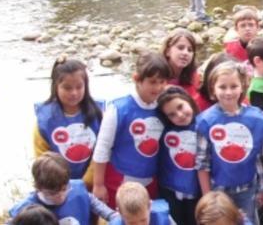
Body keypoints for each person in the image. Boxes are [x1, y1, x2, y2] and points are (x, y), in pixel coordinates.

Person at [93, 53, 172, 208]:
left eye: (162, 82)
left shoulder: (163, 107)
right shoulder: (118, 109)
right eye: (152, 82)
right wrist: (98, 184)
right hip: (119, 180)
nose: (158, 87)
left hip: (150, 180)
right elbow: (102, 147)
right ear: (137, 79)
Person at [196, 62, 263, 225]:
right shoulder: (206, 121)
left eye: (233, 86)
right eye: (222, 87)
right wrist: (208, 196)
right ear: (213, 89)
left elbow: (258, 157)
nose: (228, 92)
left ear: (242, 87)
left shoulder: (256, 118)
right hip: (219, 191)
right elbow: (202, 163)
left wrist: (261, 188)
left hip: (248, 188)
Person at [34, 58, 103, 186]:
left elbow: (103, 150)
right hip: (56, 185)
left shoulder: (99, 113)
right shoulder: (45, 119)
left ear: (86, 86)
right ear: (56, 87)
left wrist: (84, 183)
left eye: (79, 87)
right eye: (67, 88)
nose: (74, 93)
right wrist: (59, 185)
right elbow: (42, 157)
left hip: (92, 183)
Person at [9, 152, 118, 224]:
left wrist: (115, 217)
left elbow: (102, 209)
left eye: (64, 189)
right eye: (52, 194)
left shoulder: (77, 189)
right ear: (38, 187)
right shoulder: (26, 209)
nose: (60, 196)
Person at [156, 86, 200, 225]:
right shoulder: (163, 130)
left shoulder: (204, 125)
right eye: (172, 114)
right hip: (170, 192)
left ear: (189, 100)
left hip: (197, 192)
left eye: (180, 107)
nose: (179, 115)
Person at [161, 28, 200, 100]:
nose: (185, 53)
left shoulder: (193, 76)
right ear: (167, 51)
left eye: (190, 50)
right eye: (180, 48)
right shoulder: (158, 78)